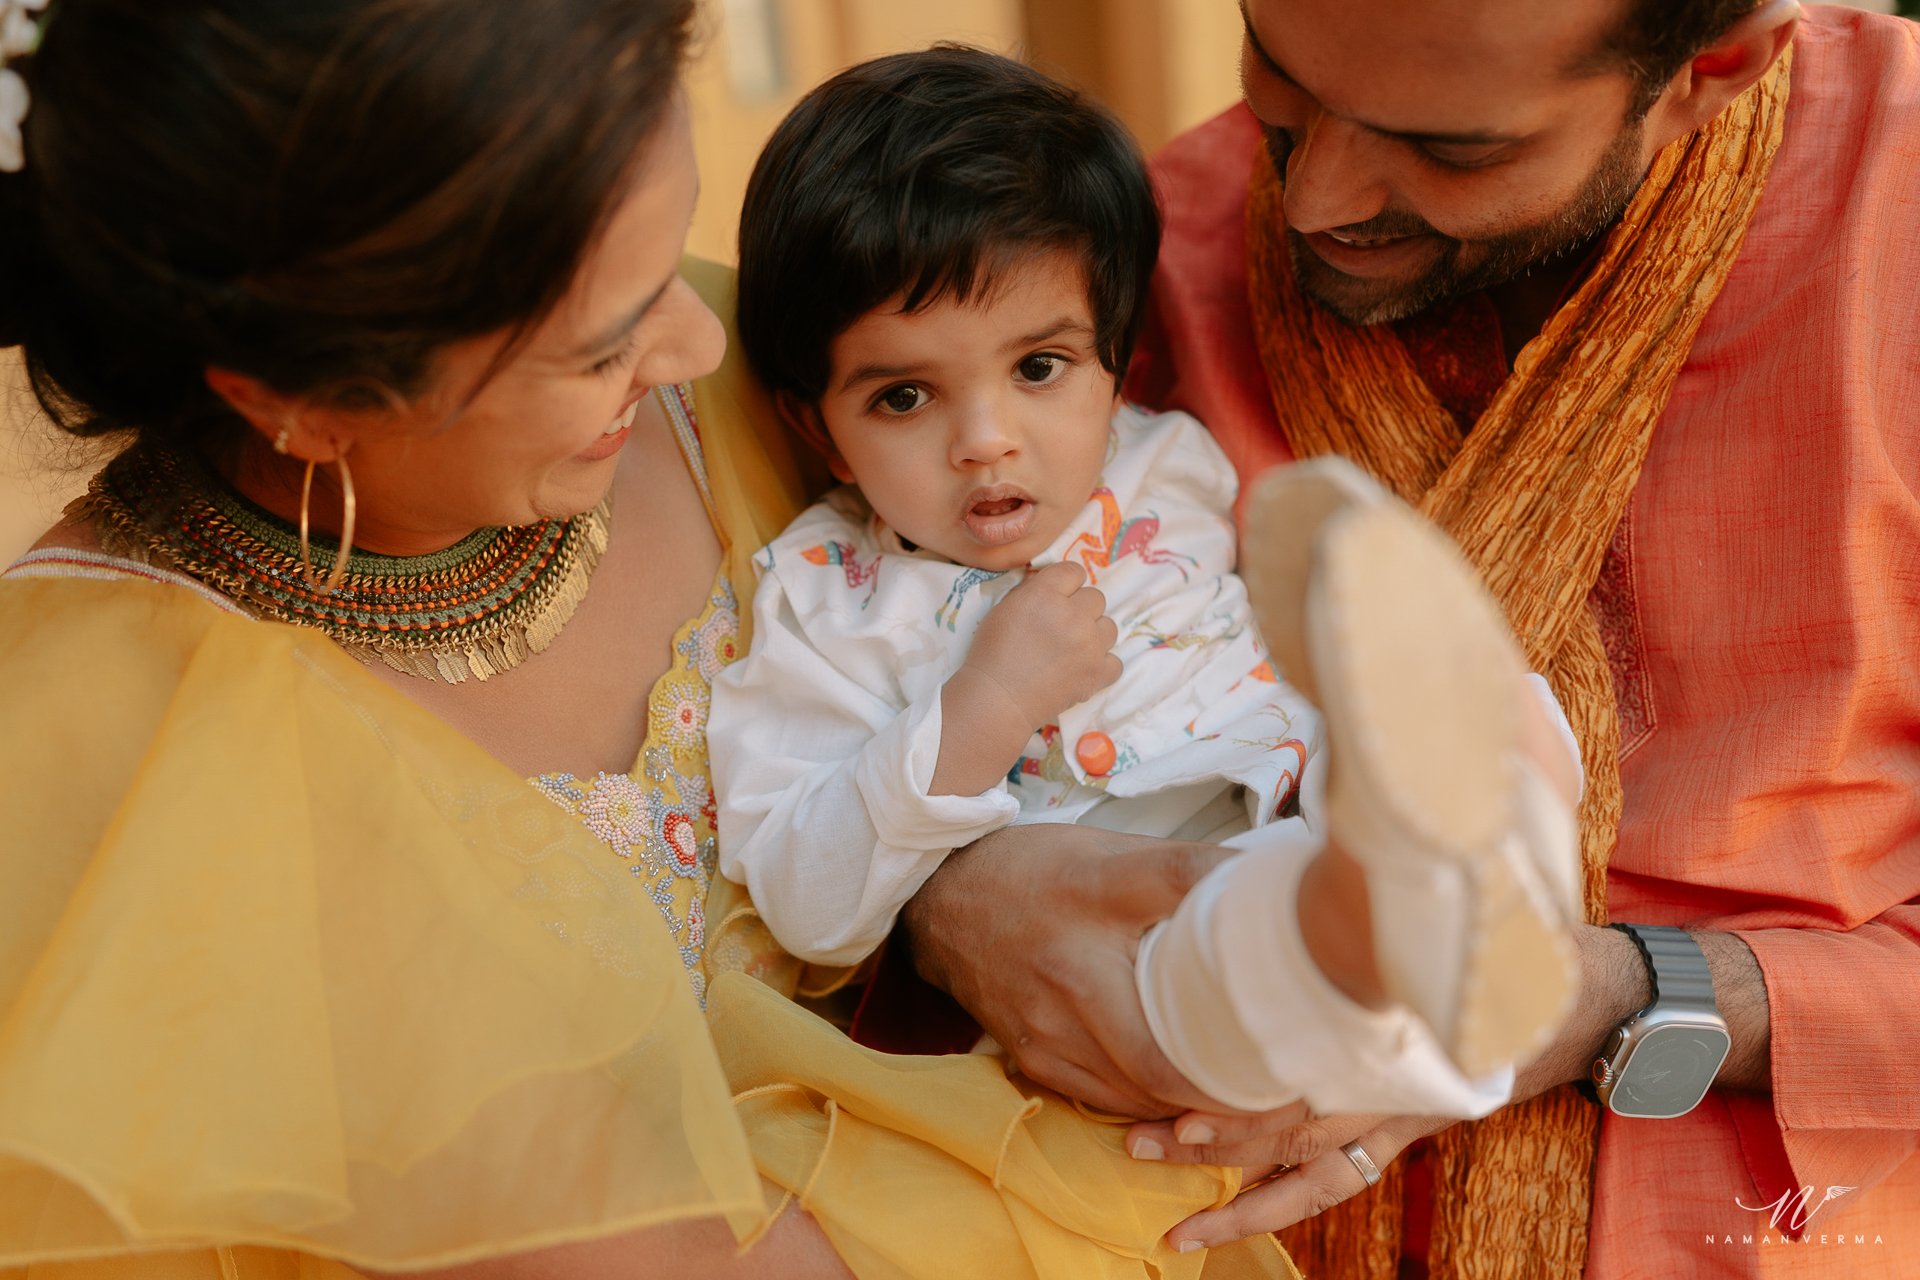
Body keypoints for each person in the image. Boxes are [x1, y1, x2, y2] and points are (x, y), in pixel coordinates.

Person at [0, 3, 1314, 1277]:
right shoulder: (111, 758)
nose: (698, 339)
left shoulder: (819, 383)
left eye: (672, 253)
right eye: (600, 339)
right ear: (301, 397)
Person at [894, 0, 1920, 1275]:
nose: (1314, 198)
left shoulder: (1895, 221)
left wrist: (1616, 995)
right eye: (1277, 77)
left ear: (1708, 69)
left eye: (1452, 149)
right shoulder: (1113, 265)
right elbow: (880, 655)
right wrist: (947, 895)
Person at [710, 46, 1584, 1121]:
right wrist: (982, 708)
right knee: (1215, 970)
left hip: (1291, 790)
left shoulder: (1163, 460)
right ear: (818, 431)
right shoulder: (826, 601)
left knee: (1469, 729)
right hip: (1120, 948)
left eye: (1038, 368)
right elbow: (808, 902)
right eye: (903, 397)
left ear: (1114, 366)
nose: (986, 439)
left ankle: (1478, 838)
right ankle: (1362, 925)